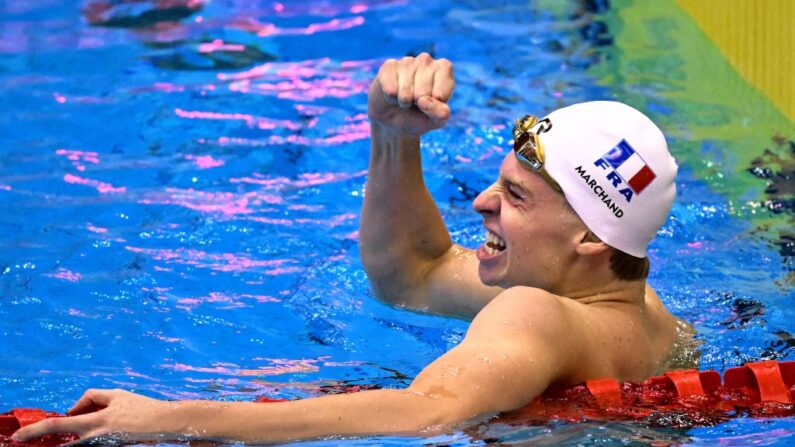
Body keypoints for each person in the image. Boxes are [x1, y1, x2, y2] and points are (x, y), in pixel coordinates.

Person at [12, 53, 696, 444]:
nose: (481, 203)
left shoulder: (535, 314)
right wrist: (392, 137)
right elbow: (412, 273)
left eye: (515, 198)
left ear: (587, 237)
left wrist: (164, 418)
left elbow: (424, 410)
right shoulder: (653, 321)